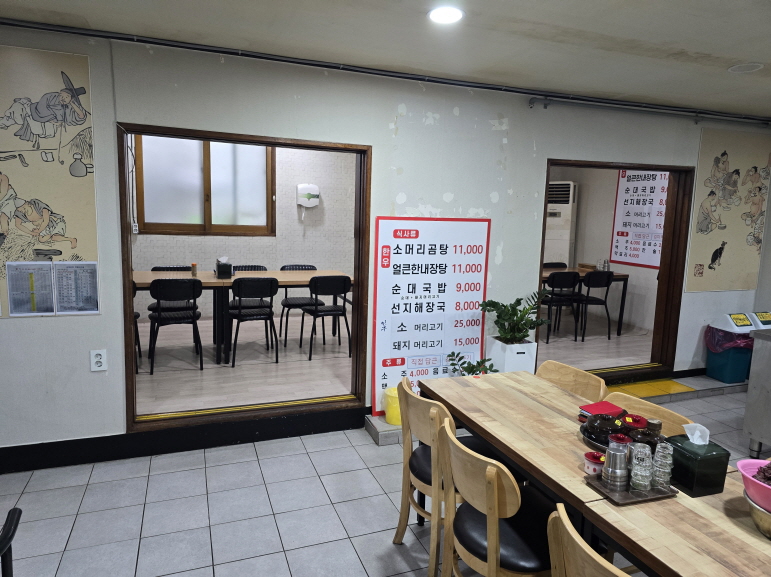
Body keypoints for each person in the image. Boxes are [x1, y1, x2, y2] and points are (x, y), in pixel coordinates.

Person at [1, 71, 88, 149]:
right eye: (61, 95)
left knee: (26, 119)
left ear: (71, 98)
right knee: (18, 111)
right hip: (36, 111)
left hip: (50, 122)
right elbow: (42, 105)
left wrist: (72, 104)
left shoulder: (71, 108)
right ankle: (5, 121)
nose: (63, 98)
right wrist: (52, 117)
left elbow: (81, 116)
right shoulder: (52, 96)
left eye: (67, 97)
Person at [0, 172, 18, 239]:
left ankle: (5, 235)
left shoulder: (3, 177)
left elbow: (3, 192)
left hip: (7, 200)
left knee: (3, 218)